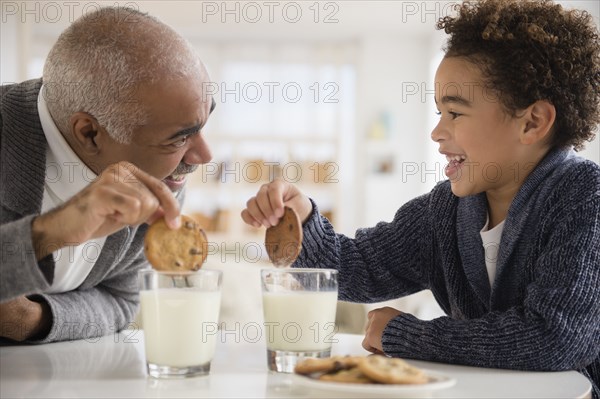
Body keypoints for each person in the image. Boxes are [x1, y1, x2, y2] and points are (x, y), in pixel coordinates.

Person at [242, 0, 600, 396]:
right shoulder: (444, 211)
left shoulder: (585, 199)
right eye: (437, 113)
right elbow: (356, 267)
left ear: (532, 122)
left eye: (455, 113)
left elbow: (556, 339)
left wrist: (405, 335)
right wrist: (303, 216)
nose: (436, 133)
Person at [0, 7, 214, 343]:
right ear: (89, 134)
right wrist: (48, 233)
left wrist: (31, 319)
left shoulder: (163, 176)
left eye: (203, 124)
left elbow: (120, 299)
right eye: (180, 137)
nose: (204, 155)